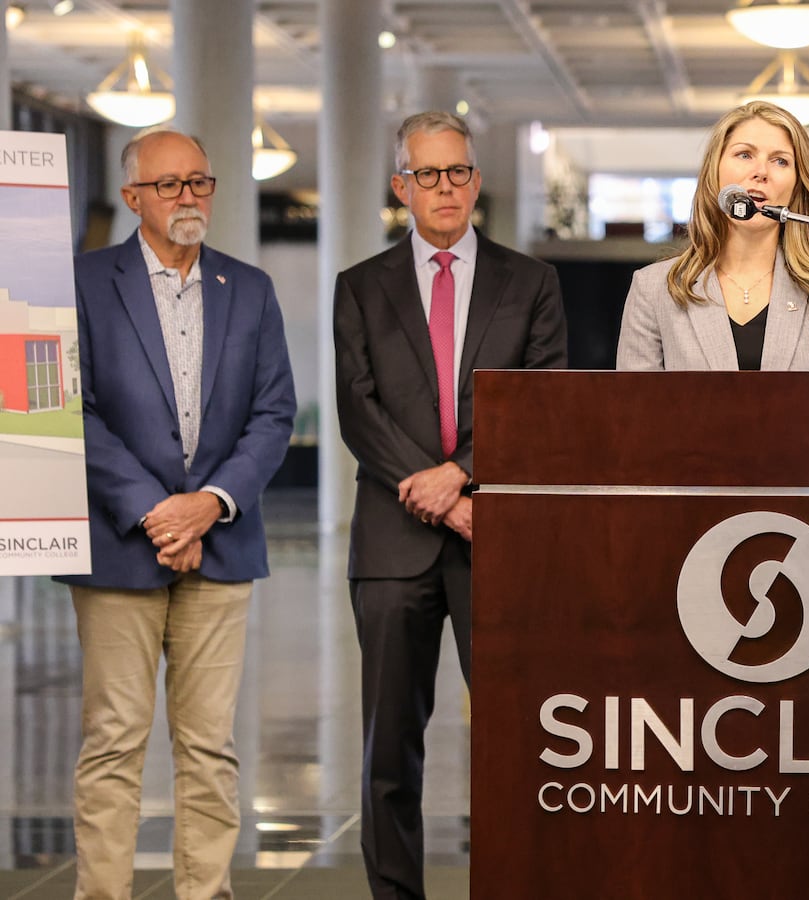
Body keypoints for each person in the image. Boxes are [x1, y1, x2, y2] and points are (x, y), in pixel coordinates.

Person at [333, 110, 568, 899]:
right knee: (389, 750)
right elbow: (358, 411)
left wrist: (466, 476)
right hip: (394, 546)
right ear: (401, 186)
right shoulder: (359, 287)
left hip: (495, 538)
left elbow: (539, 406)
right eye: (428, 174)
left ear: (476, 179)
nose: (446, 188)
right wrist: (442, 492)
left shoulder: (530, 282)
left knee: (511, 740)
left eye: (458, 171)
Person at [58, 128, 296, 898]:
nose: (188, 197)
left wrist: (208, 506)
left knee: (209, 746)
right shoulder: (83, 283)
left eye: (199, 182)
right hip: (118, 545)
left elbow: (273, 414)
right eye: (169, 185)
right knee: (114, 740)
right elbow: (73, 410)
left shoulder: (250, 288)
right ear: (133, 198)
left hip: (222, 546)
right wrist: (158, 512)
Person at [615, 100, 809, 371]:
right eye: (744, 155)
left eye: (780, 161)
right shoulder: (652, 288)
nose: (761, 172)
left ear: (797, 184)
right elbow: (633, 409)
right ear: (714, 171)